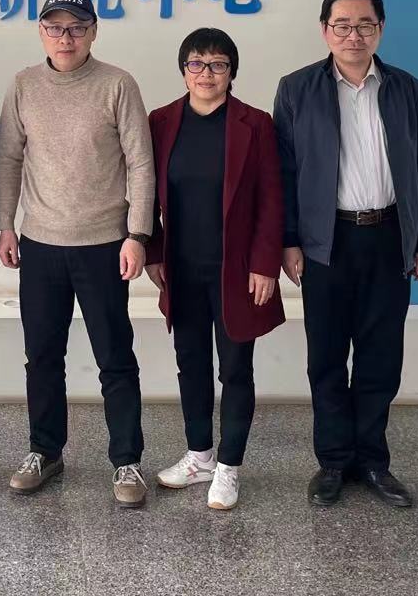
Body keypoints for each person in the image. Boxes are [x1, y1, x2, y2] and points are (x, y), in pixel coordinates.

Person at [273, 0, 418, 509]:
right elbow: (284, 172)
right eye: (342, 25)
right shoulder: (297, 89)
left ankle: (372, 461)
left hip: (389, 238)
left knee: (380, 357)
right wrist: (289, 240)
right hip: (327, 242)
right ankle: (332, 461)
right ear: (325, 31)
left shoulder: (406, 88)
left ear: (380, 29)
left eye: (364, 24)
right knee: (326, 357)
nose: (353, 34)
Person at [0, 0, 155, 508]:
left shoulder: (117, 84)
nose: (66, 38)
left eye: (76, 28)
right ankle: (45, 450)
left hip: (105, 244)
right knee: (42, 355)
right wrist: (5, 225)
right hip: (40, 244)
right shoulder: (23, 84)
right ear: (41, 32)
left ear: (93, 32)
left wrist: (137, 234)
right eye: (55, 28)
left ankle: (126, 459)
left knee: (115, 356)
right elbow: (9, 159)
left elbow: (141, 162)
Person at [145, 27, 285, 511]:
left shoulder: (255, 123)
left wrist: (265, 264)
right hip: (181, 268)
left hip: (238, 271)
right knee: (191, 363)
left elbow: (271, 199)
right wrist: (154, 252)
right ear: (184, 70)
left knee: (235, 368)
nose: (206, 73)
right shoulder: (162, 121)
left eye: (218, 64)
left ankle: (228, 467)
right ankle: (199, 456)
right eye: (197, 63)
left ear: (231, 72)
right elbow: (147, 192)